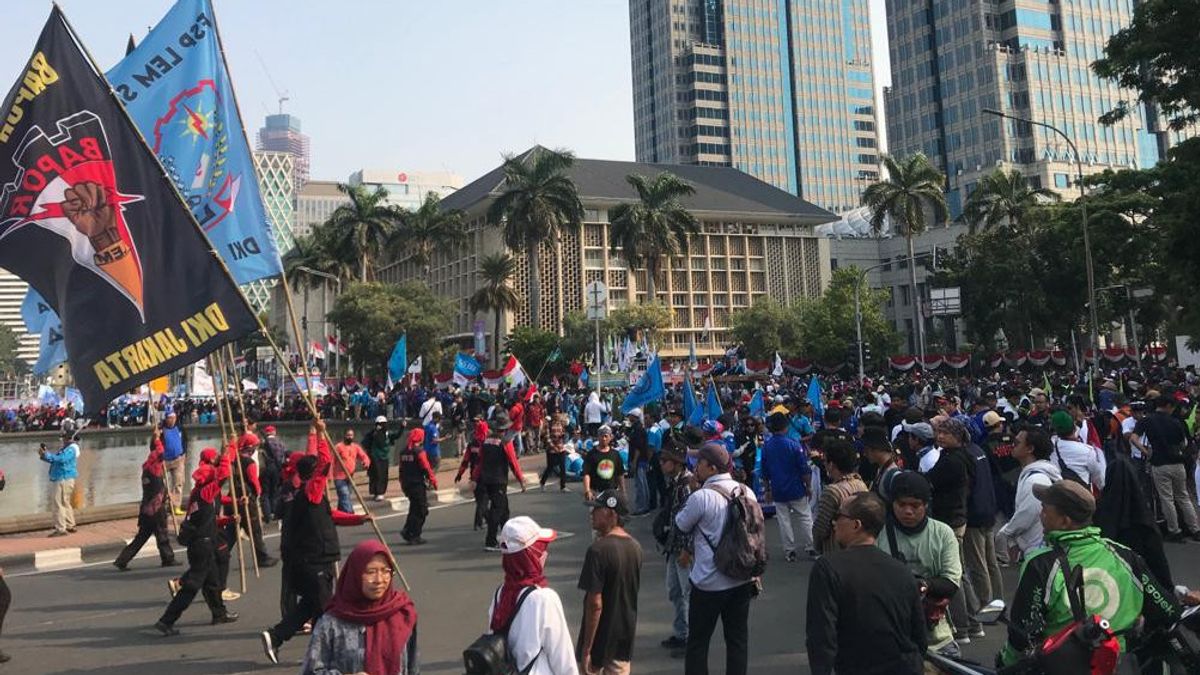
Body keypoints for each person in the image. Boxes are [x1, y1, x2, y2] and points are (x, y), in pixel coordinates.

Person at [999, 480, 1182, 669]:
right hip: (1121, 665)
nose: (1040, 514)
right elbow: (1168, 611)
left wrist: (1005, 664)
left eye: (1045, 509)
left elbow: (1022, 635)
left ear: (1064, 521)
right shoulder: (1126, 556)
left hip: (1064, 667)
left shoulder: (1039, 563)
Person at [261, 455, 374, 665]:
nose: (327, 476)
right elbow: (324, 460)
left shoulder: (312, 496)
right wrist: (318, 432)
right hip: (314, 561)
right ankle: (326, 653)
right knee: (326, 610)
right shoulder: (309, 493)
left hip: (313, 560)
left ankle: (276, 636)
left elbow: (330, 516)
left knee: (310, 607)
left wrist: (359, 519)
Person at [806, 492, 925, 675]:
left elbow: (821, 634)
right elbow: (918, 634)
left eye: (838, 516)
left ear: (856, 525)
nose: (833, 522)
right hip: (904, 666)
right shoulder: (901, 570)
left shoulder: (828, 568)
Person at [674, 443, 757, 675]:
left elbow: (680, 524)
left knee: (698, 643)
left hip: (708, 582)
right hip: (741, 577)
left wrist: (691, 492)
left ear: (711, 467)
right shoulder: (746, 491)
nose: (695, 467)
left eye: (698, 462)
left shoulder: (701, 497)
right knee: (737, 640)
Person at [301, 540, 419, 675]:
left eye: (385, 571)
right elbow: (310, 671)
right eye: (370, 572)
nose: (379, 580)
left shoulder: (402, 613)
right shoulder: (332, 622)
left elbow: (413, 668)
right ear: (355, 574)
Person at [877, 471, 962, 657]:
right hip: (892, 640)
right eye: (901, 504)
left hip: (938, 639)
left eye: (915, 505)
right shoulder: (878, 534)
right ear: (892, 504)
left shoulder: (943, 534)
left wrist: (924, 586)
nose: (908, 511)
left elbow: (951, 583)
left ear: (926, 505)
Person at [154, 450, 238, 635]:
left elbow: (211, 519)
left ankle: (219, 613)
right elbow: (224, 473)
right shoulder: (206, 493)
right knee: (192, 587)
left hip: (200, 543)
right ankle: (167, 620)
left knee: (213, 582)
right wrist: (230, 449)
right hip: (203, 545)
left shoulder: (197, 493)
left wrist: (230, 519)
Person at [486, 516, 578, 675]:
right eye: (542, 548)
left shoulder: (501, 593)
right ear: (531, 556)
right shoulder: (544, 598)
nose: (545, 553)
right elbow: (562, 657)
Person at [578, 490, 642, 675]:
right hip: (624, 639)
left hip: (600, 639)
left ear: (612, 514)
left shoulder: (597, 550)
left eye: (597, 509)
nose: (592, 513)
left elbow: (595, 604)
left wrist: (587, 647)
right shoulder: (636, 548)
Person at [1132, 394, 1200, 541]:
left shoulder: (1146, 420)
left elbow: (1133, 439)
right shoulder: (1175, 422)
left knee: (1166, 498)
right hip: (1178, 463)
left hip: (1159, 463)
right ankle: (1195, 529)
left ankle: (1174, 531)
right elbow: (1184, 444)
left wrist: (1145, 451)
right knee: (1183, 496)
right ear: (1168, 406)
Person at [114, 428, 178, 570]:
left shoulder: (146, 468)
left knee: (142, 537)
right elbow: (160, 452)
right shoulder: (154, 466)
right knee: (162, 534)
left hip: (146, 508)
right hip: (155, 508)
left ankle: (122, 560)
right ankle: (168, 558)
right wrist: (157, 438)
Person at [996, 427, 1061, 562]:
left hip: (1038, 549)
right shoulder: (1032, 474)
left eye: (1017, 443)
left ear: (1030, 449)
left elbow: (1030, 511)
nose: (1012, 445)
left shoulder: (1035, 479)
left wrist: (1006, 532)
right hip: (1036, 546)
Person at [759, 412, 814, 562]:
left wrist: (768, 489)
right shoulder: (793, 444)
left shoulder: (766, 447)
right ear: (786, 426)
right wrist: (808, 486)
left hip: (778, 488)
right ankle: (811, 547)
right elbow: (803, 468)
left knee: (784, 521)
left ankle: (789, 551)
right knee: (805, 517)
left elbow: (764, 472)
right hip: (796, 487)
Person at [656, 445, 693, 654]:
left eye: (665, 460)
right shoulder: (676, 482)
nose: (662, 464)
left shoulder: (686, 485)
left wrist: (687, 549)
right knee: (674, 591)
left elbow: (691, 519)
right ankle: (681, 633)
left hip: (682, 548)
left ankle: (689, 638)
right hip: (673, 545)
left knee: (686, 592)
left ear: (677, 463)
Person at [480, 411, 527, 552]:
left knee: (505, 511)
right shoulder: (505, 442)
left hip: (486, 478)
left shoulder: (486, 441)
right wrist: (521, 480)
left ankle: (507, 538)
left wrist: (474, 478)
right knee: (497, 510)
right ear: (506, 428)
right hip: (499, 479)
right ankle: (490, 540)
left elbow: (480, 461)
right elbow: (513, 462)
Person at [810, 440, 867, 555]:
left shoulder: (832, 492)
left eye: (825, 461)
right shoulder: (861, 484)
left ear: (831, 465)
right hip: (860, 546)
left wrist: (817, 545)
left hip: (837, 550)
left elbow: (820, 528)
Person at [398, 427, 438, 545]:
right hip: (417, 484)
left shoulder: (403, 452)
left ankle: (407, 530)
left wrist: (402, 483)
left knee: (414, 508)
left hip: (406, 484)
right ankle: (414, 534)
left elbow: (400, 469)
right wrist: (433, 480)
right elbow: (426, 467)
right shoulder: (419, 451)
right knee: (421, 510)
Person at [1049, 409, 1106, 490]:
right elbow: (1100, 479)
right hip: (1082, 497)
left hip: (1059, 496)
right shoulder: (1087, 451)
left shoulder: (1051, 448)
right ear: (1074, 428)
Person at [38, 428, 79, 536]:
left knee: (58, 504)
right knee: (65, 502)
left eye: (64, 438)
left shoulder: (71, 449)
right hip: (63, 478)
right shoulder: (66, 449)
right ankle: (70, 525)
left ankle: (61, 529)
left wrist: (47, 455)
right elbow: (55, 459)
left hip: (63, 478)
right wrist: (44, 455)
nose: (62, 440)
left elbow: (61, 459)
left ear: (69, 438)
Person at [582, 425, 624, 502]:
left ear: (610, 437)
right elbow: (586, 473)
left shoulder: (615, 454)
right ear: (598, 437)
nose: (604, 438)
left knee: (613, 513)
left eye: (606, 436)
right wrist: (587, 490)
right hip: (596, 492)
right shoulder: (591, 454)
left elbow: (620, 474)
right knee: (597, 513)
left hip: (613, 492)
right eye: (601, 436)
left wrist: (623, 491)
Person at [332, 428, 370, 514]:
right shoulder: (338, 447)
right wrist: (329, 475)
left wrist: (365, 462)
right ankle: (350, 513)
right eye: (348, 435)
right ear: (344, 436)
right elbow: (332, 461)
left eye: (351, 435)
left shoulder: (355, 447)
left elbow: (364, 456)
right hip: (339, 477)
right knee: (345, 494)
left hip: (350, 477)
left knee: (345, 496)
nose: (350, 437)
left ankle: (340, 513)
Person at [363, 416, 400, 501]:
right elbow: (368, 443)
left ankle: (381, 492)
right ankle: (376, 492)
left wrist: (402, 427)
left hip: (384, 457)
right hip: (375, 457)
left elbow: (395, 436)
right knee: (376, 475)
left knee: (383, 475)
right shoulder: (373, 434)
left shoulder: (386, 433)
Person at [160, 408, 188, 515]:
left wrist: (184, 454)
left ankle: (176, 506)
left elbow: (185, 441)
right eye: (169, 418)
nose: (172, 420)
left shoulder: (180, 428)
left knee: (179, 483)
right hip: (164, 461)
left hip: (178, 459)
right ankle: (163, 503)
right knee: (160, 483)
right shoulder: (161, 429)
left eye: (173, 418)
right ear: (166, 419)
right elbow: (154, 446)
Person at [863, 425, 901, 503]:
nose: (865, 454)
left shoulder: (892, 475)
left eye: (867, 450)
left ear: (876, 449)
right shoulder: (881, 468)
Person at [625, 409, 652, 516]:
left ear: (634, 416)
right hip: (639, 459)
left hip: (639, 460)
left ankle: (643, 507)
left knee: (641, 484)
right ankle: (643, 505)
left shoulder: (638, 429)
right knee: (641, 483)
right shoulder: (635, 428)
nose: (629, 417)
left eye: (630, 415)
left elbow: (638, 447)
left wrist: (634, 462)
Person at [259, 425, 287, 522]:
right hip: (277, 468)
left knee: (265, 492)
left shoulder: (263, 443)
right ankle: (275, 512)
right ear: (274, 432)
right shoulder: (280, 443)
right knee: (275, 491)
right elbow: (283, 455)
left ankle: (267, 515)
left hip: (266, 469)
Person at [540, 419, 569, 492]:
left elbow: (563, 434)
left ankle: (563, 486)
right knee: (550, 467)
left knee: (563, 467)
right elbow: (547, 438)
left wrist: (562, 436)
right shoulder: (548, 424)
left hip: (561, 448)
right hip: (551, 450)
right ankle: (542, 482)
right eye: (555, 411)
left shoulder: (561, 423)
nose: (557, 413)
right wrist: (553, 447)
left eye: (558, 411)